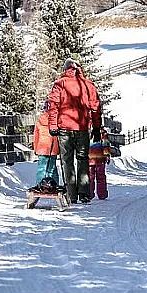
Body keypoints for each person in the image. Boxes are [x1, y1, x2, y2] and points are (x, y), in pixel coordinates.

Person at [48, 58, 102, 203]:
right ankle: (84, 193)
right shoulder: (88, 85)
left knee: (67, 161)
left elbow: (53, 106)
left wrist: (53, 125)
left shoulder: (60, 84)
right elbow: (96, 107)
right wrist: (97, 127)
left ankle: (71, 194)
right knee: (83, 159)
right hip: (82, 127)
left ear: (65, 69)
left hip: (64, 128)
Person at [33, 101, 59, 188]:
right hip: (53, 148)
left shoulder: (40, 119)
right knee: (52, 168)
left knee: (41, 168)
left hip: (42, 148)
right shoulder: (56, 119)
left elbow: (36, 135)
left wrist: (36, 148)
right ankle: (54, 185)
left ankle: (39, 185)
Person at [88, 126, 111, 200]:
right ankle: (102, 194)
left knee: (90, 177)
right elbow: (105, 145)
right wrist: (107, 154)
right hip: (100, 158)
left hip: (89, 158)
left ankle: (89, 193)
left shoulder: (87, 132)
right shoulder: (102, 133)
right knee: (100, 177)